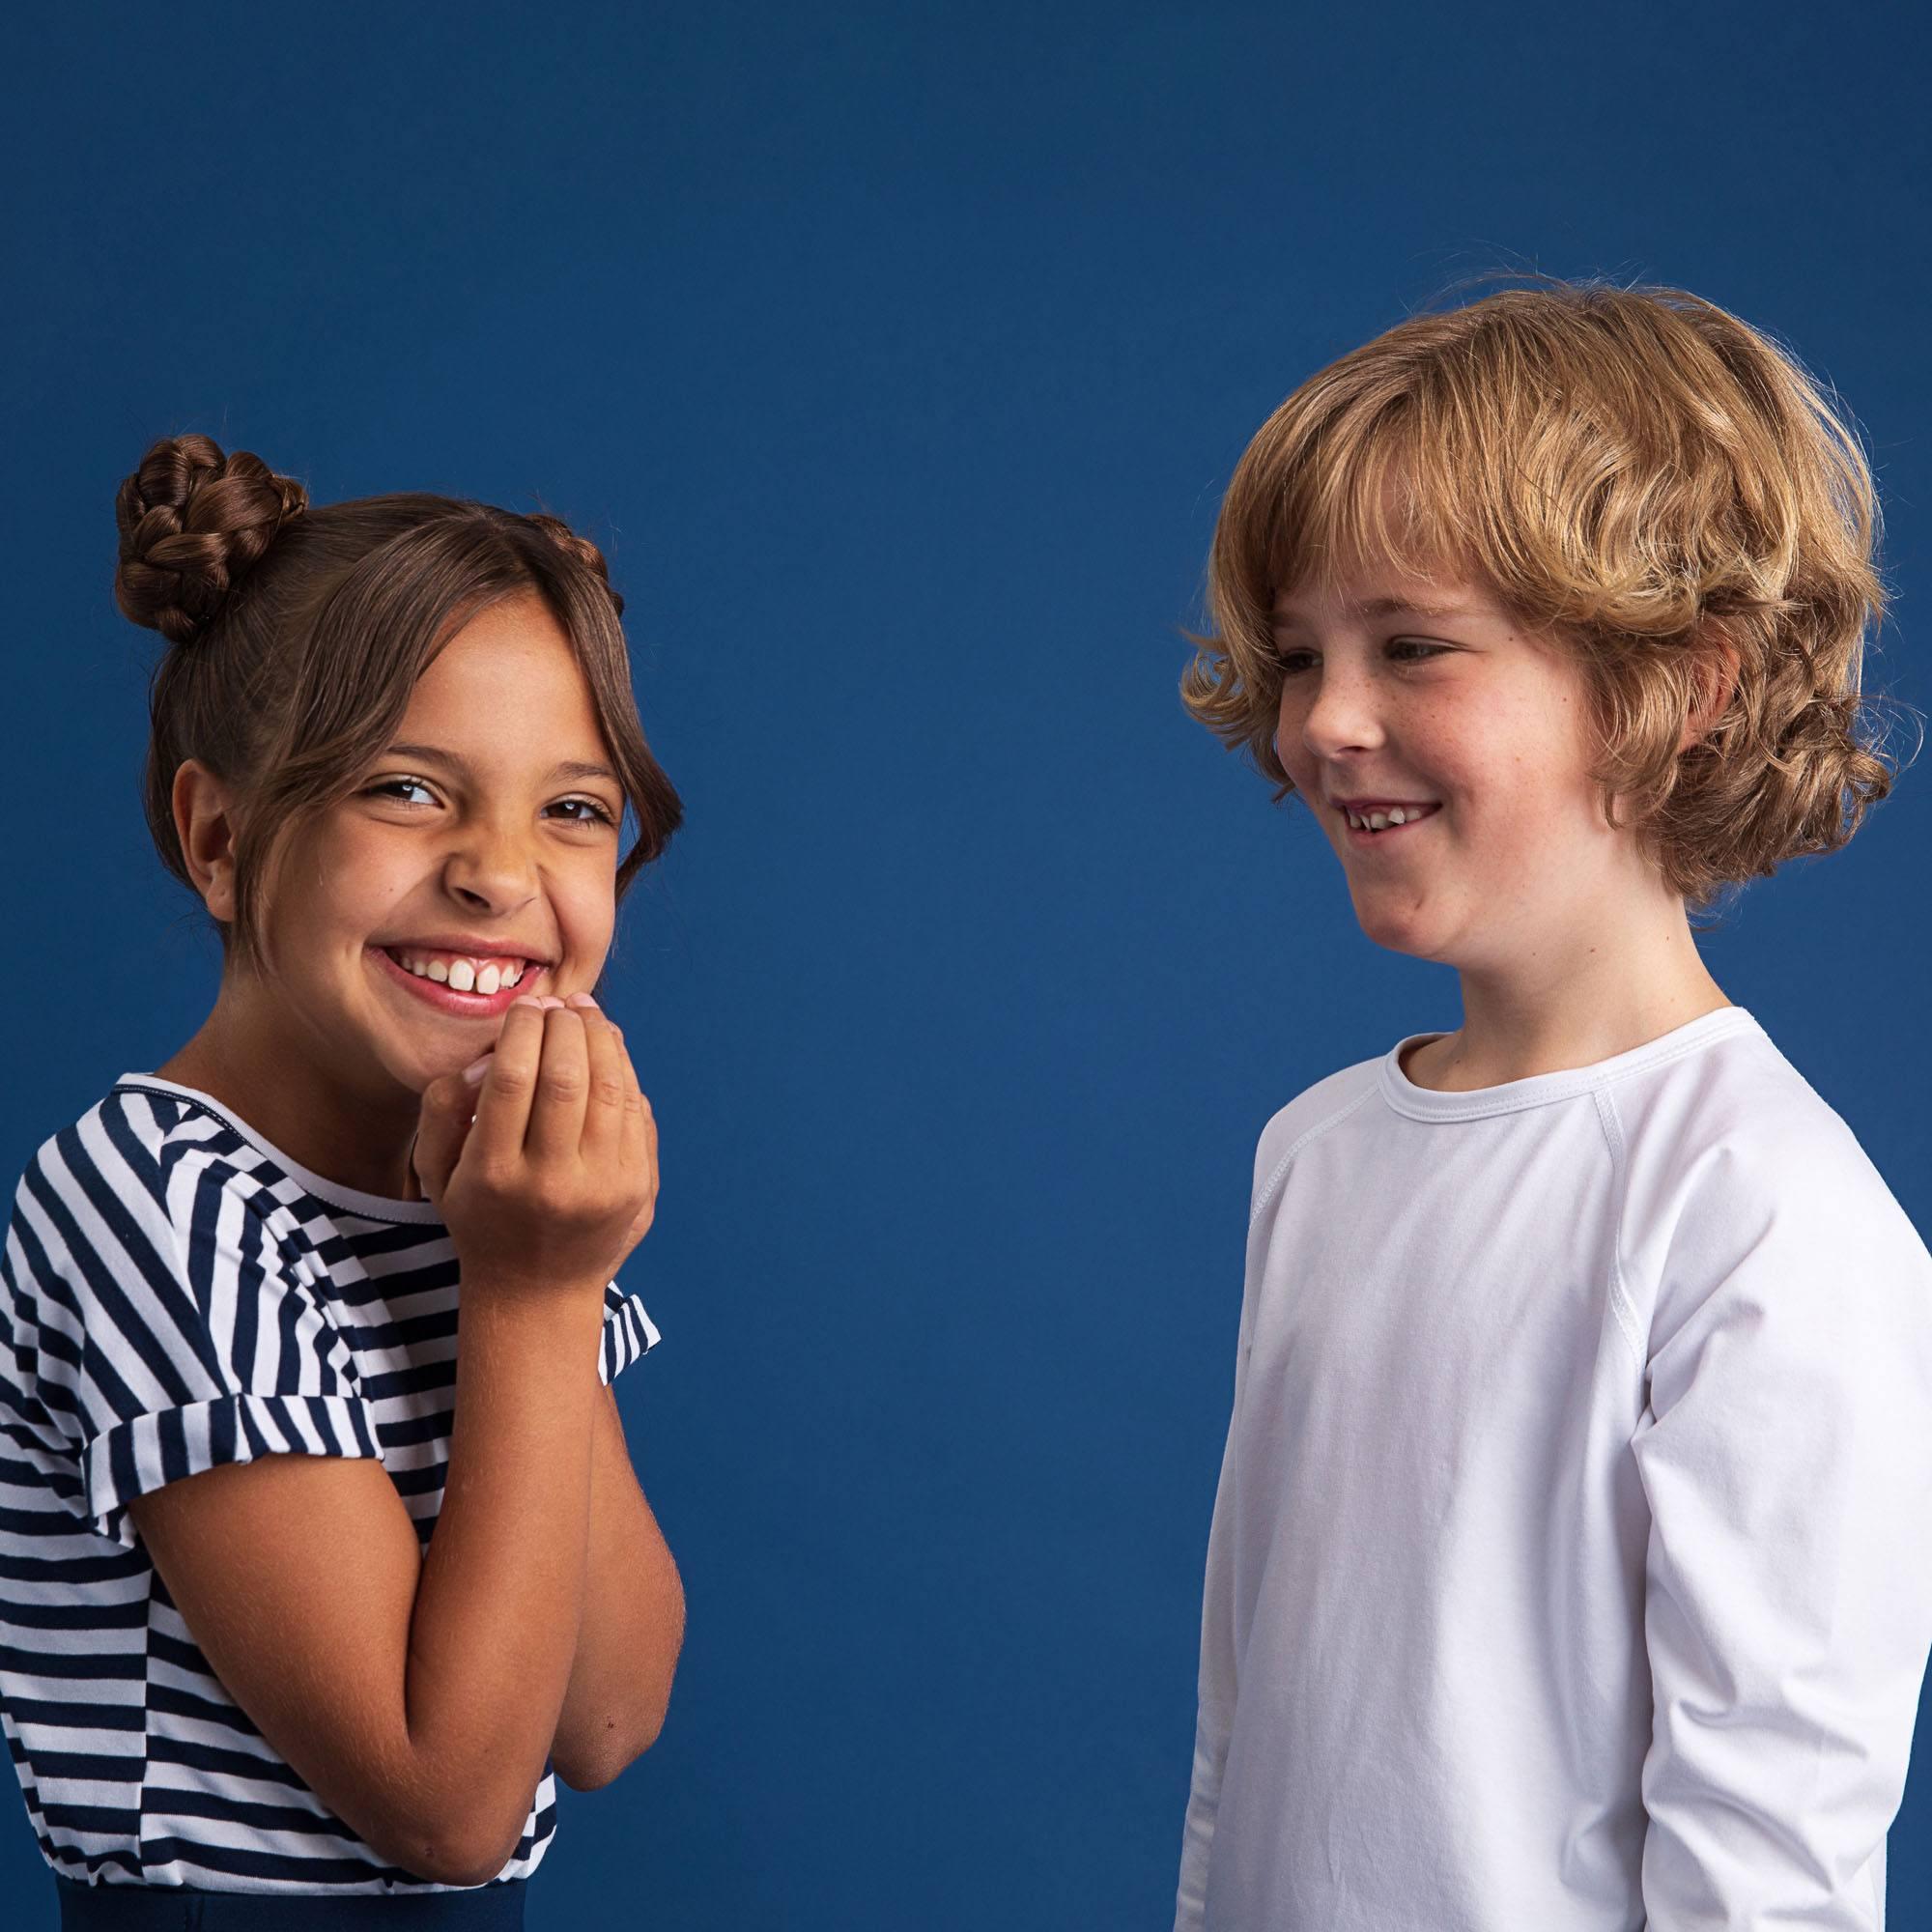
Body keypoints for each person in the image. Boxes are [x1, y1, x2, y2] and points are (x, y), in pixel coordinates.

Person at [1170, 281, 1932, 1930]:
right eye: (1300, 655)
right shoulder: (1315, 1153)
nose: (1324, 723)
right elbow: (1249, 1743)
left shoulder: (1760, 1211)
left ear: (1687, 684)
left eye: (1415, 646)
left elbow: (1771, 1864)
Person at [0, 435, 688, 1927]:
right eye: (408, 789)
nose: (502, 874)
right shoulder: (153, 1199)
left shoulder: (489, 1197)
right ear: (222, 837)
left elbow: (610, 1715)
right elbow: (445, 1806)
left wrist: (544, 1279)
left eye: (572, 808)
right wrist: (525, 1289)